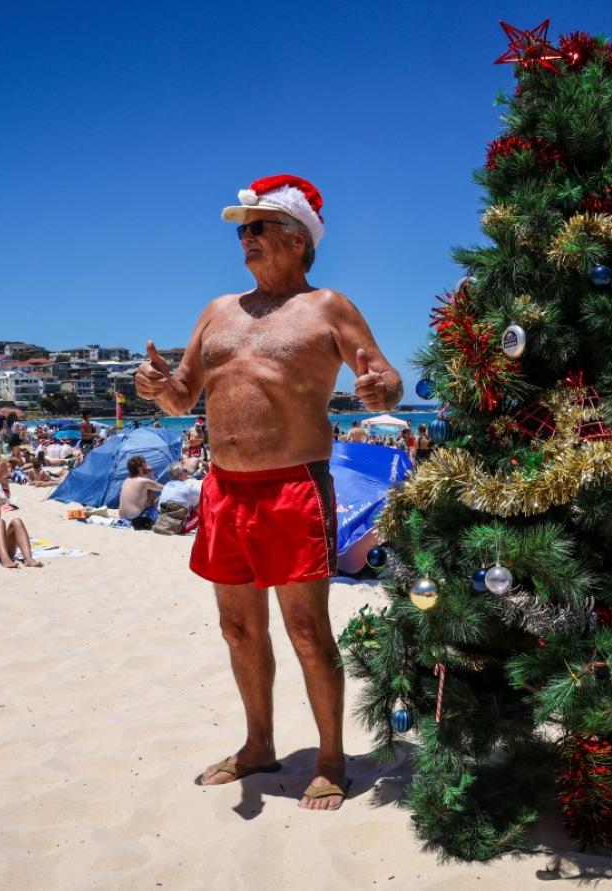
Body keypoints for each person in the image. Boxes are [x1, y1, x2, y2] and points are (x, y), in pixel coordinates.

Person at [135, 173, 402, 811]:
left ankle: (332, 759)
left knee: (308, 629)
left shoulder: (327, 306)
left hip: (295, 486)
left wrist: (382, 390)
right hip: (225, 489)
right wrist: (156, 385)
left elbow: (384, 378)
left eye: (256, 227)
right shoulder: (217, 311)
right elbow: (181, 398)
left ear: (295, 236)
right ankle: (259, 745)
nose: (244, 238)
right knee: (237, 628)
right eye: (242, 230)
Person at [119, 455, 164, 530]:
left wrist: (148, 473)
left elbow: (150, 487)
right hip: (136, 518)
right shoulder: (143, 481)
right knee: (160, 497)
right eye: (145, 465)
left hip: (122, 517)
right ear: (140, 469)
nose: (148, 467)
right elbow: (165, 489)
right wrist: (150, 473)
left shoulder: (126, 480)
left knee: (148, 493)